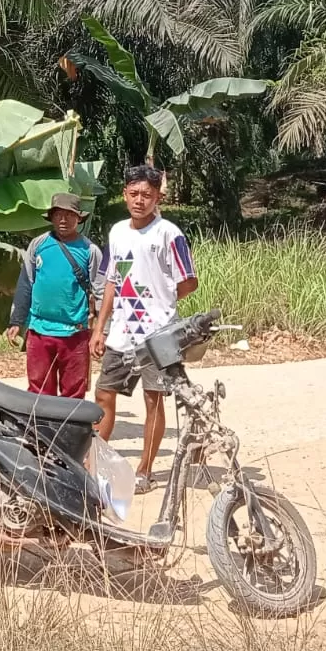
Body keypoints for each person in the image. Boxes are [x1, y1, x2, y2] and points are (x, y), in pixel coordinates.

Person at [89, 166, 198, 491]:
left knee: (154, 400)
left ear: (157, 197)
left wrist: (162, 302)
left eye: (147, 195)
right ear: (124, 194)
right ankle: (95, 461)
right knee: (104, 394)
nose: (140, 200)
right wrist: (100, 326)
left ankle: (145, 469)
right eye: (134, 194)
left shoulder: (169, 234)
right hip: (121, 333)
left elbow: (189, 281)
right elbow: (112, 279)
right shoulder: (118, 232)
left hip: (157, 334)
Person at [5, 193, 102, 399]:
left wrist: (102, 331)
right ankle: (41, 430)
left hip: (75, 333)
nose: (63, 220)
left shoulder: (90, 250)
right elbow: (26, 283)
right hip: (40, 331)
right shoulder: (38, 244)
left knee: (73, 392)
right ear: (51, 217)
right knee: (39, 390)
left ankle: (71, 431)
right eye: (58, 214)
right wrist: (16, 320)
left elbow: (101, 291)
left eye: (69, 215)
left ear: (79, 218)